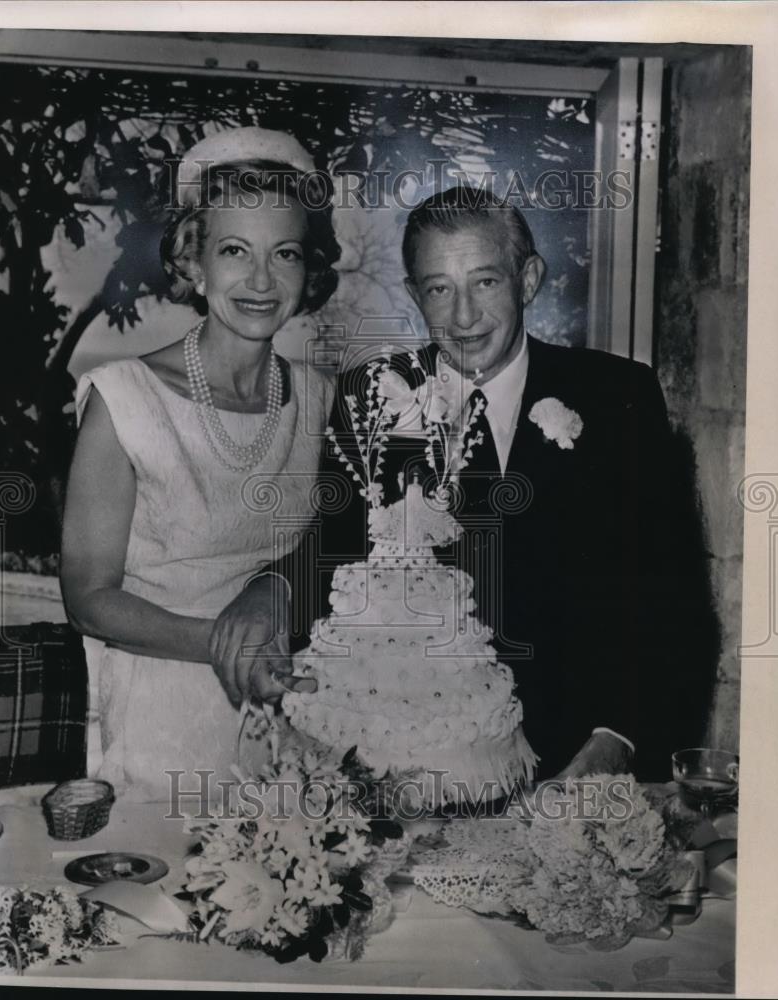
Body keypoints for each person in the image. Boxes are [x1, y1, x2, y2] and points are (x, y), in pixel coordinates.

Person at [211, 184, 716, 783]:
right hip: (419, 771)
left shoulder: (618, 396)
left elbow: (672, 598)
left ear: (527, 280)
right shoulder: (373, 397)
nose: (464, 317)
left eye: (485, 283)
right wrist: (274, 589)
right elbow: (337, 545)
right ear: (413, 296)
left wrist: (620, 737)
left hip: (584, 761)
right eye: (439, 290)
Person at [60, 129, 341, 801]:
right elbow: (89, 600)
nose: (261, 281)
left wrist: (275, 604)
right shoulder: (124, 397)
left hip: (293, 710)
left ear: (308, 274)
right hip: (159, 719)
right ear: (194, 262)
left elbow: (336, 549)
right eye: (234, 251)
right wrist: (230, 643)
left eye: (285, 254)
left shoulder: (324, 397)